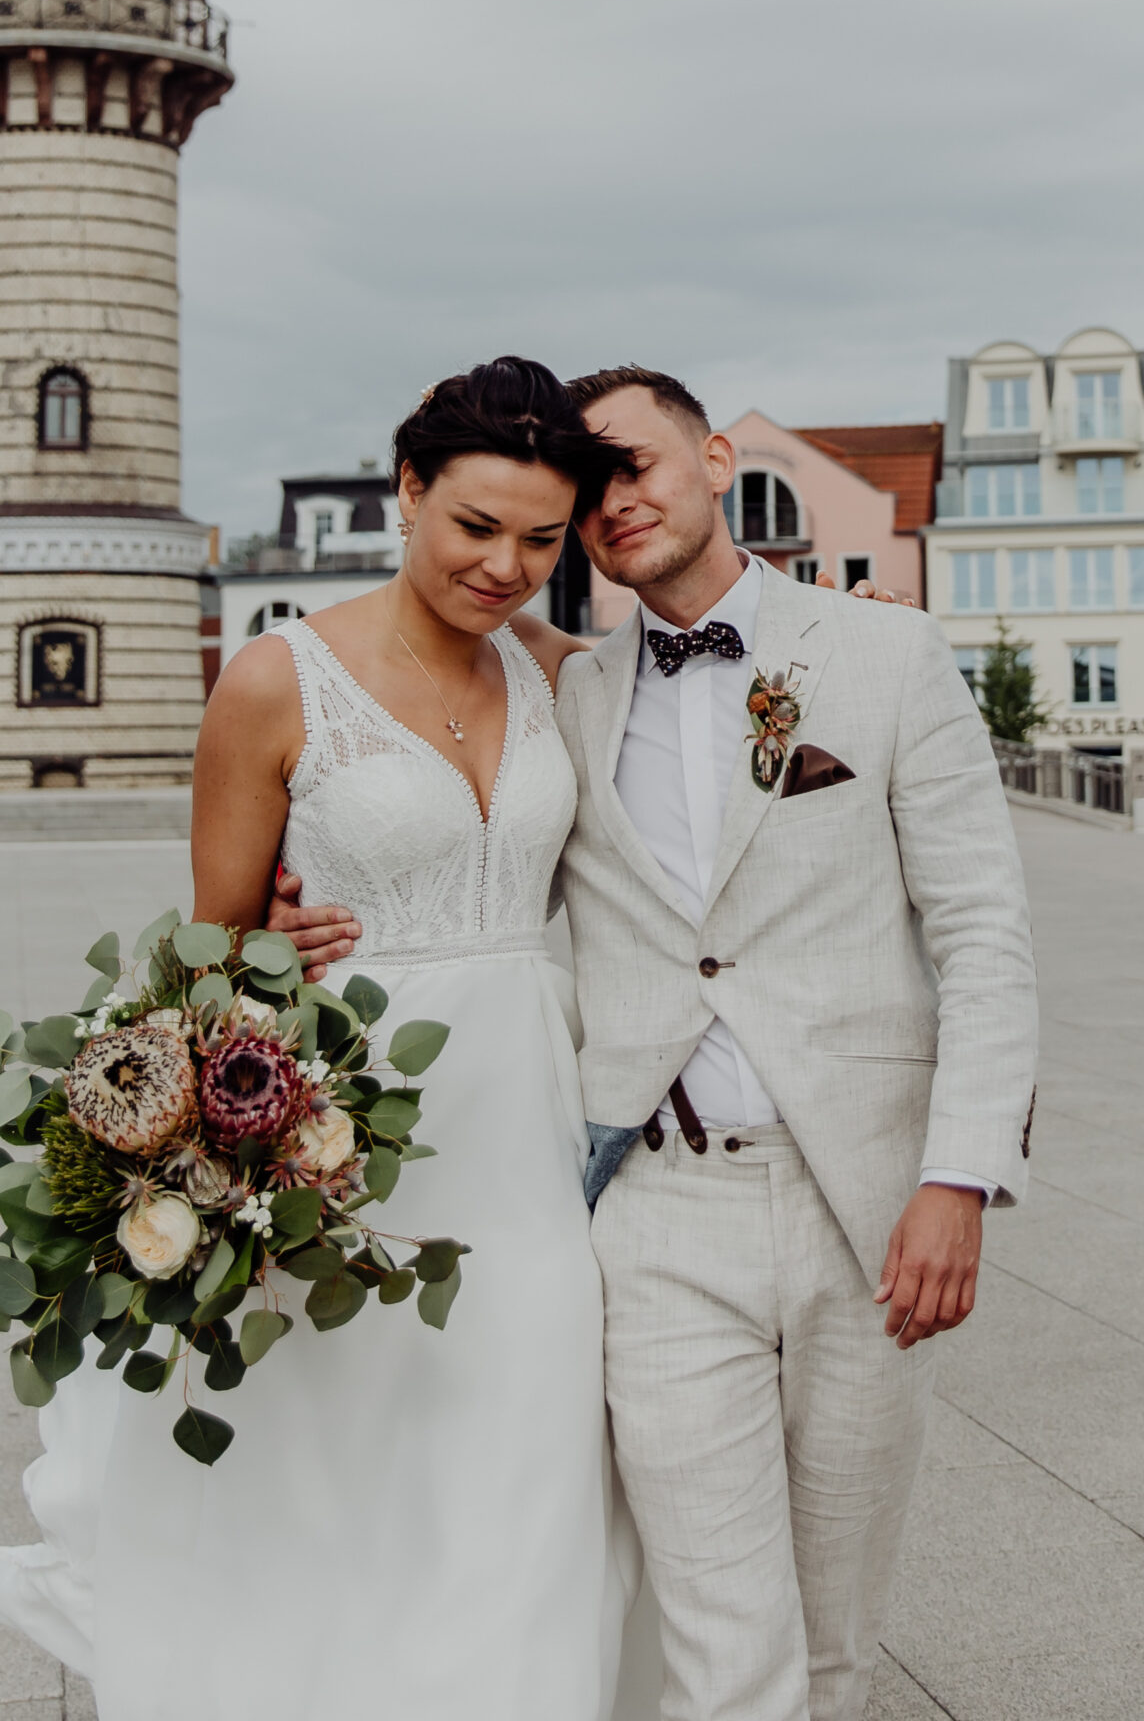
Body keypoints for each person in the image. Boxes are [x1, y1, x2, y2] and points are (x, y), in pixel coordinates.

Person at [277, 367, 1039, 1721]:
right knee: (713, 1627)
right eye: (586, 496)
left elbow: (983, 939)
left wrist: (960, 1175)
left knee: (836, 1625)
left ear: (714, 456)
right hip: (652, 1212)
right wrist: (306, 906)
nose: (614, 506)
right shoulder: (561, 694)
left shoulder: (886, 655)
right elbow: (455, 829)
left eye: (637, 466)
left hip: (859, 1204)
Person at [0, 358, 660, 1721]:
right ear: (404, 492)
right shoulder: (278, 681)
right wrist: (277, 944)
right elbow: (210, 945)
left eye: (537, 538)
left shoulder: (563, 672)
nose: (505, 567)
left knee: (523, 1425)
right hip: (350, 1111)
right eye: (474, 527)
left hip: (529, 1104)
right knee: (342, 1439)